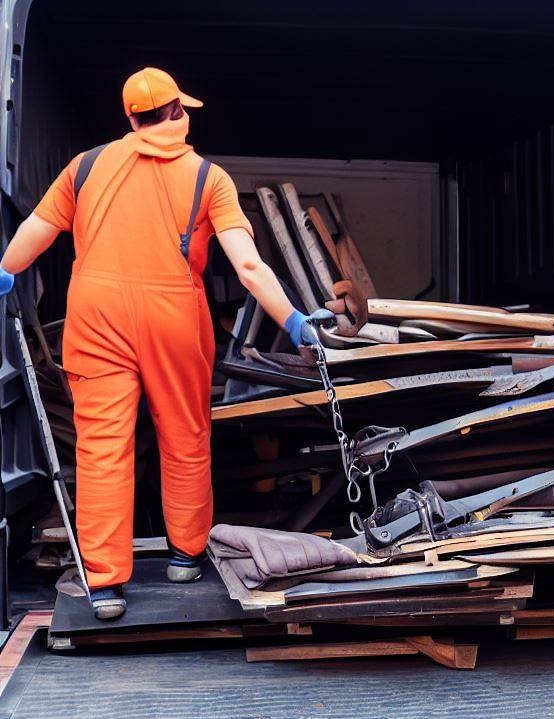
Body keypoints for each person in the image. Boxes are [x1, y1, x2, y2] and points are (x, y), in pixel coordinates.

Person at [0, 68, 330, 620]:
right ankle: (184, 555)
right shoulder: (210, 178)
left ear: (130, 119)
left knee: (102, 446)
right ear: (178, 111)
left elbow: (37, 228)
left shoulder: (84, 166)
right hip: (174, 313)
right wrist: (294, 319)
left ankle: (104, 585)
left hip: (95, 312)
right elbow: (247, 264)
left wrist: (6, 272)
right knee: (184, 433)